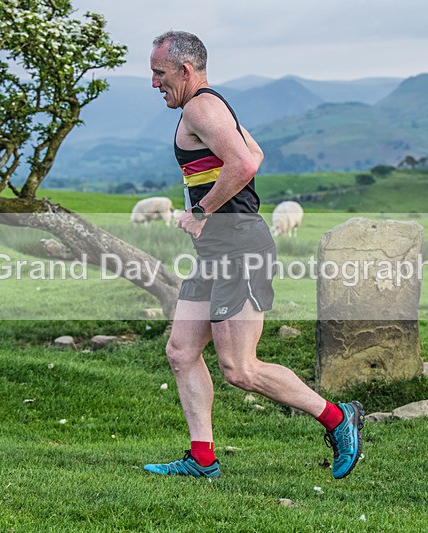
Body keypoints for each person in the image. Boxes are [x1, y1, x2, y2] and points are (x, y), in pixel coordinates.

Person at [144, 30, 364, 480]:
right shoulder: (213, 106)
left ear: (185, 71)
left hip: (239, 246)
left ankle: (339, 419)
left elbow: (244, 165)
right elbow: (254, 152)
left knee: (240, 368)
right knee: (182, 351)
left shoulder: (200, 106)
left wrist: (202, 211)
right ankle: (202, 460)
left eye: (158, 73)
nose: (154, 83)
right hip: (218, 251)